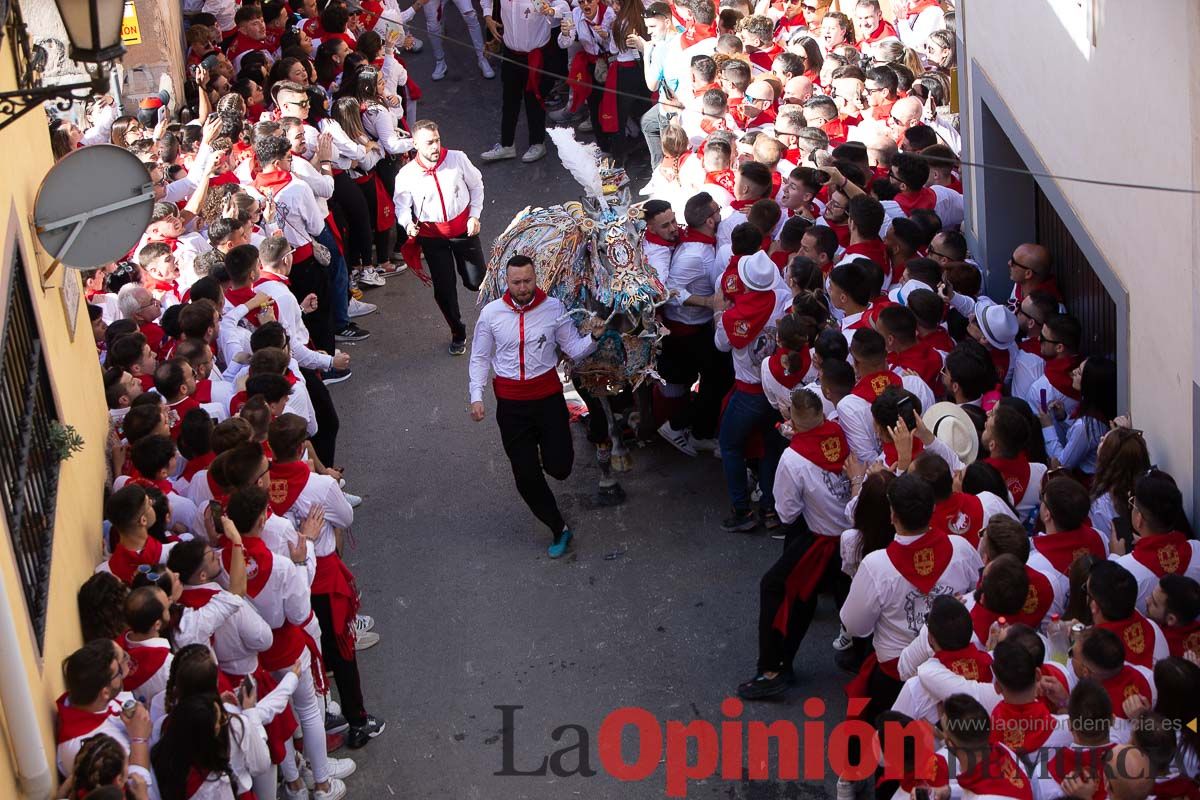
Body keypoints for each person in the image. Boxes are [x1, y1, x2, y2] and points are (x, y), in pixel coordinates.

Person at [467, 256, 604, 557]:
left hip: (548, 401)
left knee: (561, 467)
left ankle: (545, 451)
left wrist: (593, 337)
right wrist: (476, 396)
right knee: (525, 477)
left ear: (536, 277)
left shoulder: (554, 309)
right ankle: (558, 527)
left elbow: (573, 350)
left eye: (528, 281)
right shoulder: (491, 314)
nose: (523, 287)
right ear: (507, 281)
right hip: (512, 406)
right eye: (516, 282)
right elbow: (479, 357)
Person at [736, 387, 850, 699]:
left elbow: (786, 513)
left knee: (776, 588)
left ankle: (771, 670)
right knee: (807, 596)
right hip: (854, 534)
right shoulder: (843, 431)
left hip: (824, 540)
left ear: (794, 423)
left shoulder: (793, 457)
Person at [714, 250, 791, 531]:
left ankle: (742, 512)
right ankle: (770, 510)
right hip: (777, 393)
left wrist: (719, 311)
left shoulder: (730, 316)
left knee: (730, 446)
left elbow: (721, 345)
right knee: (771, 449)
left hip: (748, 394)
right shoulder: (783, 301)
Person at [395, 120, 486, 356]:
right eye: (429, 143)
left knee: (477, 282)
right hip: (432, 239)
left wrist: (474, 216)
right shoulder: (406, 174)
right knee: (444, 290)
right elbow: (402, 207)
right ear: (415, 144)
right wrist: (407, 225)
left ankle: (496, 322)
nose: (436, 146)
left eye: (437, 140)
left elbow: (477, 186)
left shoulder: (457, 159)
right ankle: (458, 331)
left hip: (463, 233)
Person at [480, 0, 566, 163]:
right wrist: (487, 16)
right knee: (509, 99)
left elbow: (564, 6)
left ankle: (537, 143)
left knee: (534, 99)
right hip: (511, 53)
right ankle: (507, 145)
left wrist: (551, 10)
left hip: (536, 56)